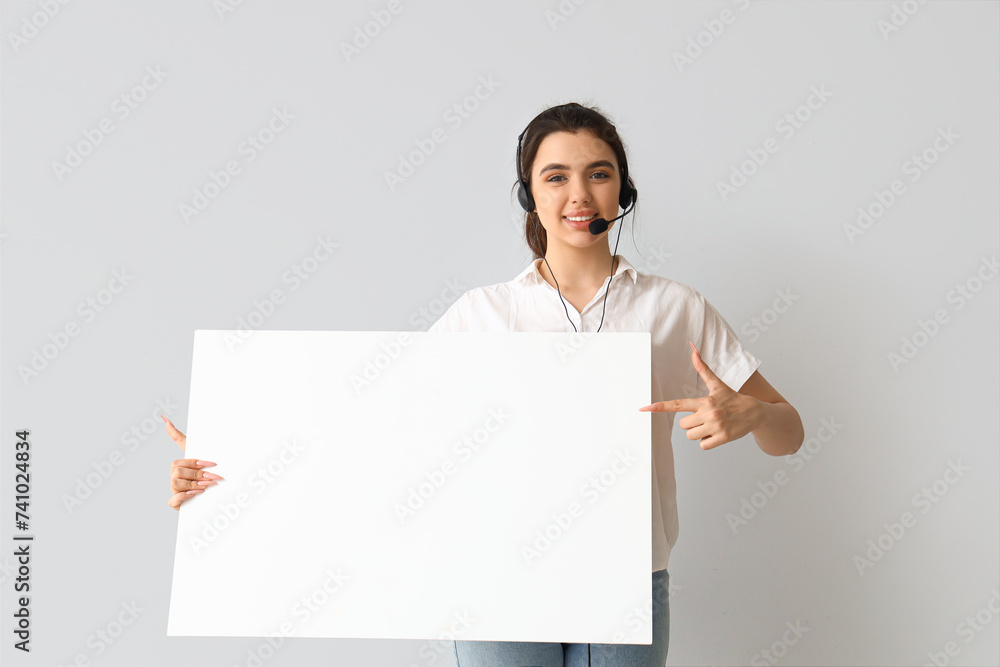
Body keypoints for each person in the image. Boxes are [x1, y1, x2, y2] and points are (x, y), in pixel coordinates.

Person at [164, 101, 804, 667]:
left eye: (598, 173)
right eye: (556, 176)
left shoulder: (674, 307)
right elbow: (376, 433)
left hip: (627, 576)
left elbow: (790, 433)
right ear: (530, 196)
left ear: (623, 191)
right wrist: (233, 461)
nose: (579, 194)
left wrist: (752, 414)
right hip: (497, 576)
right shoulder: (483, 314)